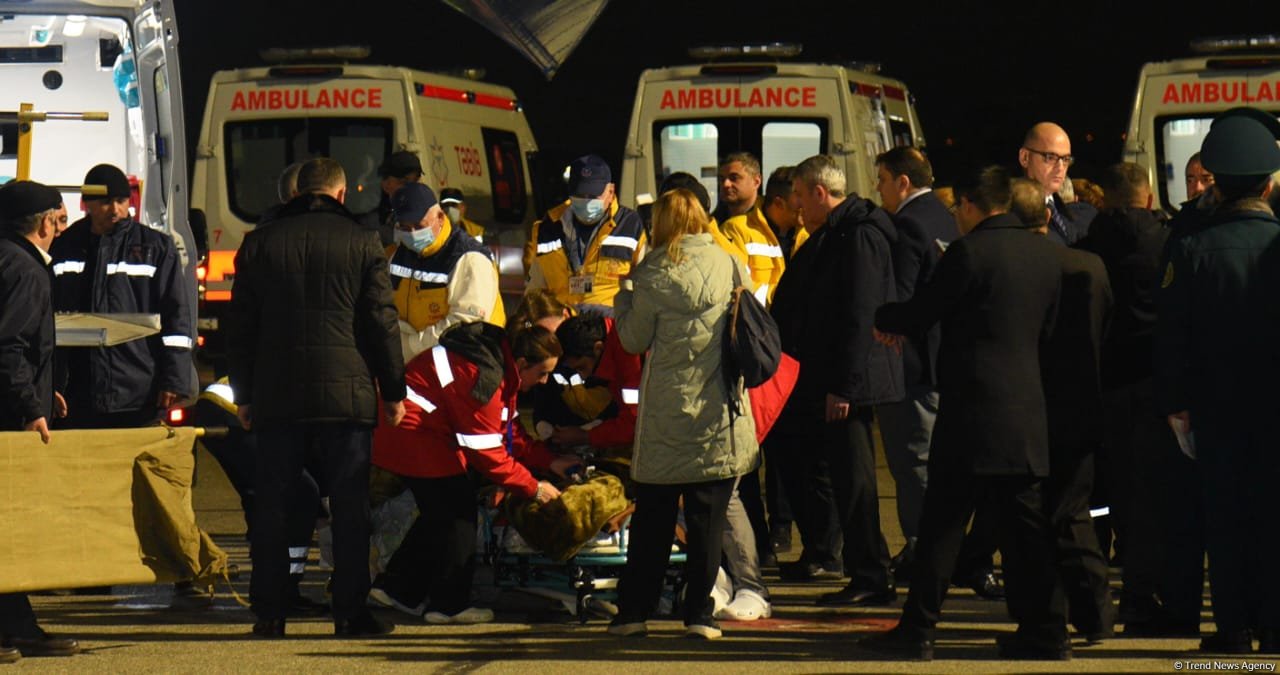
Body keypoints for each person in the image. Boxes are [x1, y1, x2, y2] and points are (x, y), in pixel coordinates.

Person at [865, 166, 1068, 661]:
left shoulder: (969, 253)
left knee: (943, 524)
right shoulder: (1047, 255)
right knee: (1028, 529)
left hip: (971, 410)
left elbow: (922, 311)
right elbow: (1050, 333)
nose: (954, 215)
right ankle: (1047, 630)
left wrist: (883, 320)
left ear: (977, 206)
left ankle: (919, 630)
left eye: (959, 208)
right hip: (1025, 411)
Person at [225, 157, 407, 639]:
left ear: (295, 193)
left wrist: (243, 392)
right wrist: (393, 391)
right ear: (341, 193)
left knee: (273, 506)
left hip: (276, 395)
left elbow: (239, 325)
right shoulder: (363, 242)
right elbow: (380, 323)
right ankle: (349, 612)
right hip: (346, 397)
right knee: (349, 508)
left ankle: (270, 612)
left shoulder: (259, 243)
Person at [608, 188, 759, 640]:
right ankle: (700, 613)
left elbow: (633, 341)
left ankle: (635, 612)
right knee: (706, 521)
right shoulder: (730, 261)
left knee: (653, 519)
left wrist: (622, 298)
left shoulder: (653, 270)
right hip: (718, 409)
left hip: (667, 415)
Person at [1155, 113, 1280, 655]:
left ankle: (1233, 631)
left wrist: (1176, 405)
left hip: (1217, 408)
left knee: (1225, 517)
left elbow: (1172, 338)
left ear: (1216, 182)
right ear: (1270, 183)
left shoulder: (1190, 249)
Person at [371, 323, 571, 624]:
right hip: (412, 432)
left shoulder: (494, 364)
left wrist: (549, 460)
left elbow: (507, 431)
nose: (544, 382)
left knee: (441, 511)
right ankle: (449, 606)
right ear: (521, 364)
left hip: (406, 429)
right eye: (542, 373)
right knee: (458, 512)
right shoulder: (486, 377)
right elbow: (488, 454)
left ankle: (398, 588)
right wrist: (534, 488)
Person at [770, 155, 901, 605]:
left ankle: (871, 575)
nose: (798, 207)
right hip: (835, 378)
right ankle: (865, 569)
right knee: (846, 479)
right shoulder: (838, 233)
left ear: (820, 193)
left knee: (857, 480)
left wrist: (845, 386)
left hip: (849, 382)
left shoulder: (857, 236)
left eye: (801, 198)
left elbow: (858, 315)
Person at [1013, 178, 1116, 644]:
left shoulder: (1025, 269)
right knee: (1076, 515)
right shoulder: (1090, 266)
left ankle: (1048, 619)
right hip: (1085, 403)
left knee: (1034, 519)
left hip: (1037, 406)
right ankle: (1096, 617)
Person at [1078, 162, 1179, 632]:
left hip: (1104, 384)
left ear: (1108, 198)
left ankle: (1095, 594)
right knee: (1154, 495)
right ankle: (1144, 594)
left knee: (1104, 494)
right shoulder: (1168, 241)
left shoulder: (1090, 243)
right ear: (1149, 197)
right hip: (1156, 383)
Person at [49, 164, 195, 429]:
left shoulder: (155, 248)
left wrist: (174, 379)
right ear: (87, 204)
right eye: (105, 202)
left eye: (121, 200)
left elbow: (177, 320)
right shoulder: (65, 246)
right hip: (77, 394)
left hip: (139, 392)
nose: (115, 210)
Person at [0, 181, 80, 660]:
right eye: (61, 218)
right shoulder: (24, 270)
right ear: (46, 222)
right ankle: (18, 626)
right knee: (8, 524)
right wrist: (31, 408)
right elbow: (8, 344)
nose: (63, 228)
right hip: (7, 419)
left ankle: (15, 624)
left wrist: (41, 385)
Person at [872, 146, 956, 583]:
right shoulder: (945, 217)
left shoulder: (907, 223)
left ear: (902, 181)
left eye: (882, 180)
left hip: (915, 366)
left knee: (913, 464)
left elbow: (902, 295)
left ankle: (924, 550)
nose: (879, 190)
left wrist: (885, 324)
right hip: (945, 363)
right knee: (936, 462)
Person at [387, 182, 505, 363]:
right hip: (416, 364)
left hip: (463, 368)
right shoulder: (398, 255)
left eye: (419, 226)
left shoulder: (468, 258)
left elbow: (465, 325)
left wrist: (410, 346)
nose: (412, 234)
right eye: (404, 227)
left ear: (440, 217)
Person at [525, 155, 646, 312]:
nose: (587, 201)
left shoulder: (632, 227)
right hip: (562, 327)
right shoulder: (548, 228)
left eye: (593, 196)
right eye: (580, 195)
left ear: (611, 191)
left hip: (612, 329)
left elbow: (645, 290)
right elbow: (534, 290)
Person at [713, 152, 787, 305]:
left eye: (734, 178)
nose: (725, 184)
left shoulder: (776, 219)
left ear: (757, 181)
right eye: (722, 179)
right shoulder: (715, 226)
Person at [1019, 122, 1093, 245]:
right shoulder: (1006, 211)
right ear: (1025, 158)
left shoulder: (1065, 211)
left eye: (1066, 159)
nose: (1060, 167)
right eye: (1050, 157)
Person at [363, 151, 424, 246]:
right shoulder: (371, 225)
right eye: (404, 182)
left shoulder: (430, 217)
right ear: (385, 184)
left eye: (415, 181)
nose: (411, 188)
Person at [762, 165, 808, 263]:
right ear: (779, 203)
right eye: (800, 197)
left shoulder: (810, 235)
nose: (807, 204)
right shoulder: (739, 232)